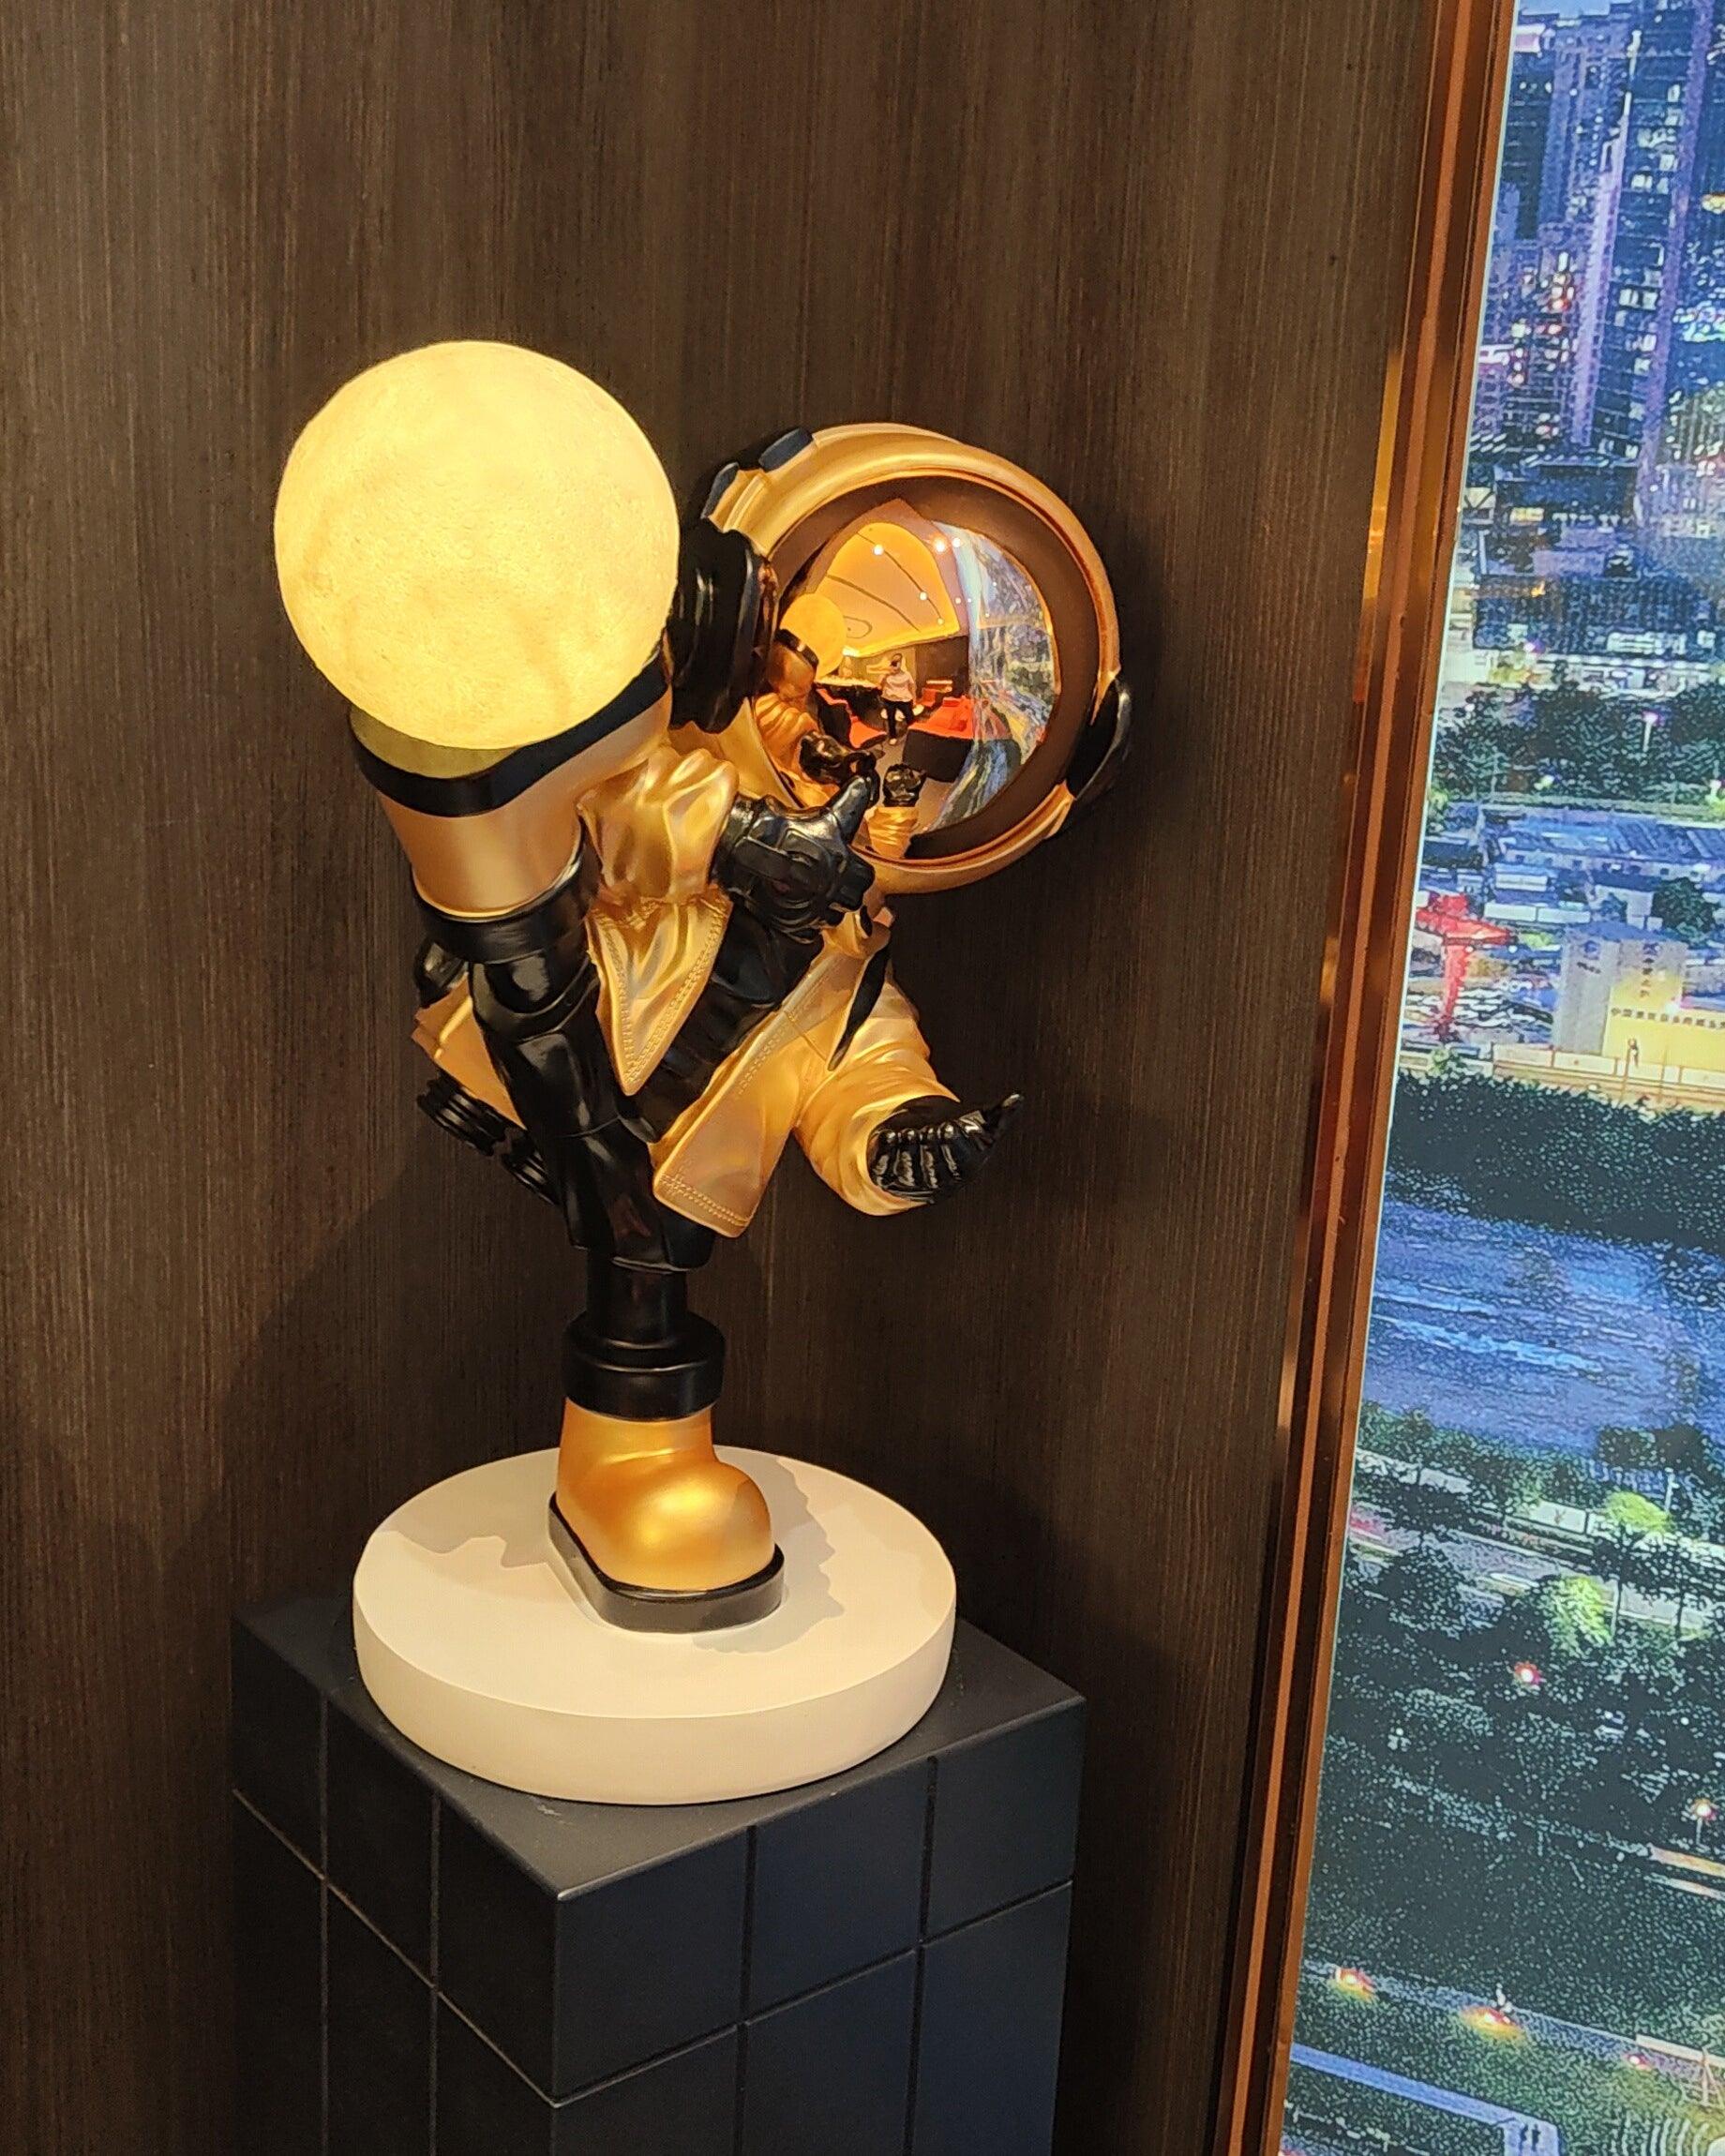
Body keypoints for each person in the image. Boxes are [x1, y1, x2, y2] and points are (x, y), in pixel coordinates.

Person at [878, 651, 917, 741]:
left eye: (897, 661)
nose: (895, 664)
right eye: (893, 662)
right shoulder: (886, 674)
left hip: (904, 699)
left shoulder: (907, 674)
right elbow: (879, 687)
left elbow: (912, 687)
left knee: (910, 719)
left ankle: (915, 735)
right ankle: (893, 736)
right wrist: (885, 676)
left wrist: (914, 700)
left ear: (901, 663)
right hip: (889, 700)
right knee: (891, 719)